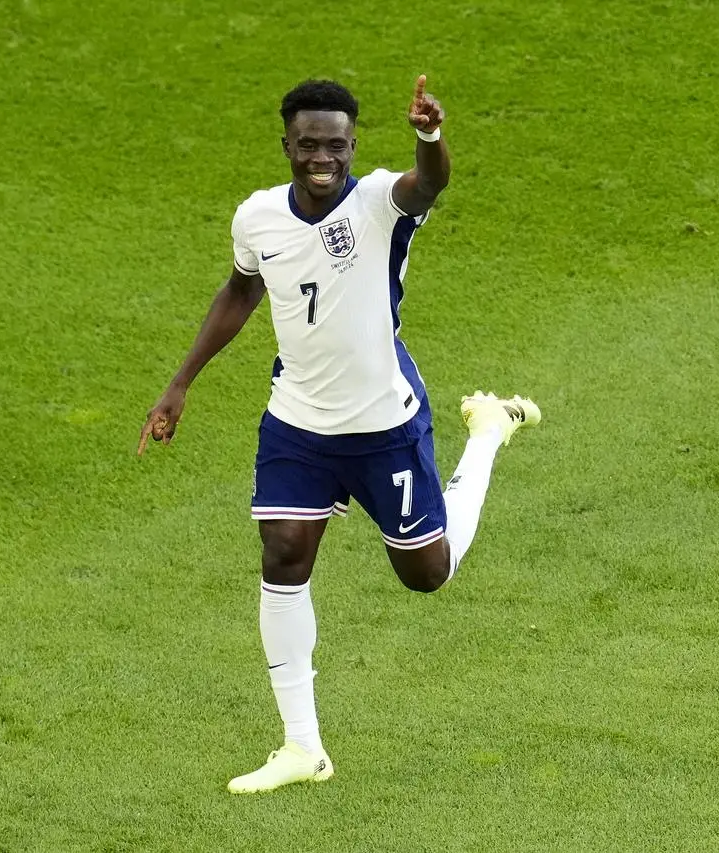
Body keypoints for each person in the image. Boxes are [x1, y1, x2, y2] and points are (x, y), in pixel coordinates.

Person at [137, 75, 540, 794]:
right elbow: (240, 290)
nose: (321, 155)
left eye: (335, 143)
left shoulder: (379, 202)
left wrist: (429, 135)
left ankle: (486, 431)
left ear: (353, 145)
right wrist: (180, 382)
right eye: (307, 143)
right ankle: (302, 746)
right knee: (283, 551)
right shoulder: (258, 217)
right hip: (298, 422)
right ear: (287, 145)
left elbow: (430, 183)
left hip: (384, 425)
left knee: (427, 574)